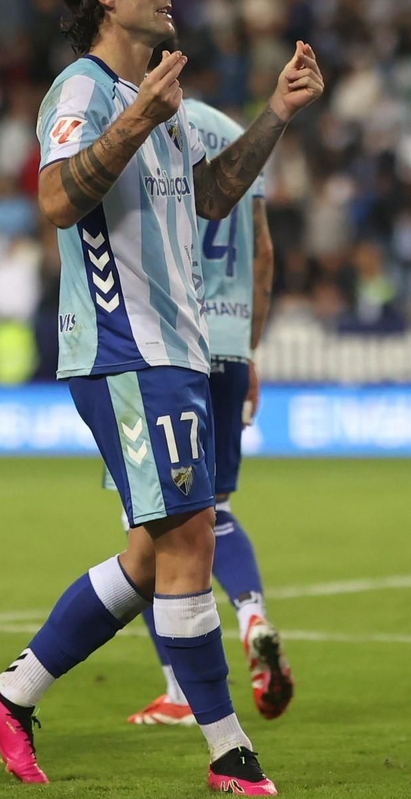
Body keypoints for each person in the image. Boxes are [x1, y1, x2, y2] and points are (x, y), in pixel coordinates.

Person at [0, 0, 323, 795]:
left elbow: (208, 196)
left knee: (148, 555)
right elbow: (54, 198)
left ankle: (10, 696)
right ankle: (230, 751)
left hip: (177, 351)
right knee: (191, 538)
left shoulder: (157, 93)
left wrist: (275, 112)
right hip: (125, 349)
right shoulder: (82, 89)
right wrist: (137, 118)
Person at [121, 93, 294, 727]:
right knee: (214, 507)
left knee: (152, 521)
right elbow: (263, 254)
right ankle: (252, 617)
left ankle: (179, 689)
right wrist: (249, 351)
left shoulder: (142, 123)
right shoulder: (237, 133)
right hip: (228, 342)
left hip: (168, 342)